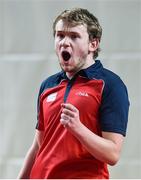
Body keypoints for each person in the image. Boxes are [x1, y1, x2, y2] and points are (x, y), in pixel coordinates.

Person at [18, 8, 130, 179]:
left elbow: (112, 154)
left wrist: (78, 128)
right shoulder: (48, 85)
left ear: (93, 44)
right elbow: (38, 145)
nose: (64, 42)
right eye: (60, 35)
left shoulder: (110, 85)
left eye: (74, 36)